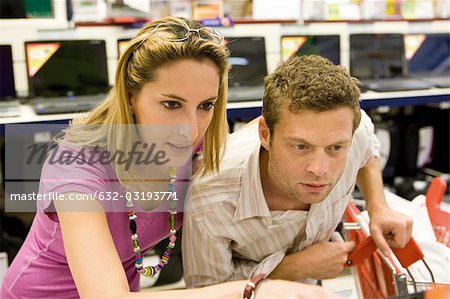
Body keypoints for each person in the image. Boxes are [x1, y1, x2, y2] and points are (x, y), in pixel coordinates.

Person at [0, 17, 341, 299]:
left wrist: (377, 203)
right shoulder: (75, 168)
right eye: (171, 104)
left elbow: (331, 128)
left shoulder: (188, 144)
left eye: (205, 106)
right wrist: (253, 289)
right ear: (131, 95)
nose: (190, 129)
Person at [182, 55, 414, 287]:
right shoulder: (209, 199)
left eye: (335, 148)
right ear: (265, 134)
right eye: (301, 147)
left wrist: (379, 207)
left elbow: (367, 149)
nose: (319, 170)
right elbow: (207, 292)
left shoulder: (350, 128)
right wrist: (292, 269)